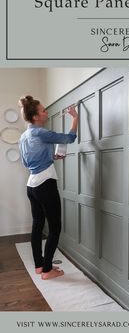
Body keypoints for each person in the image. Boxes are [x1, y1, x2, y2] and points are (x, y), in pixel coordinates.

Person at [18, 95, 78, 280]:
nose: (46, 112)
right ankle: (47, 271)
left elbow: (27, 161)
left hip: (32, 184)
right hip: (45, 183)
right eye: (43, 110)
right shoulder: (40, 132)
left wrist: (51, 158)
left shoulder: (24, 136)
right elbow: (69, 138)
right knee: (54, 227)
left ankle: (39, 266)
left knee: (37, 225)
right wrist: (75, 118)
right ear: (35, 116)